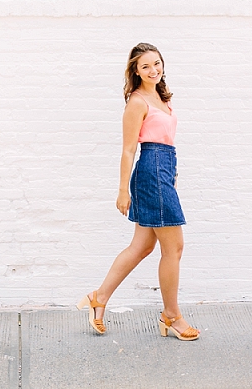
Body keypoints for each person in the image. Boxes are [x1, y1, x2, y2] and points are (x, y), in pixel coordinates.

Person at [76, 42, 200, 341]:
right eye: (145, 66)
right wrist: (122, 190)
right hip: (151, 172)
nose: (153, 70)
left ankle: (99, 297)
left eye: (157, 63)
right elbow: (129, 149)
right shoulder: (137, 102)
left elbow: (167, 141)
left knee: (143, 246)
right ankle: (172, 316)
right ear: (135, 70)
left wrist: (172, 173)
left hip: (163, 171)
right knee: (175, 248)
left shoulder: (160, 97)